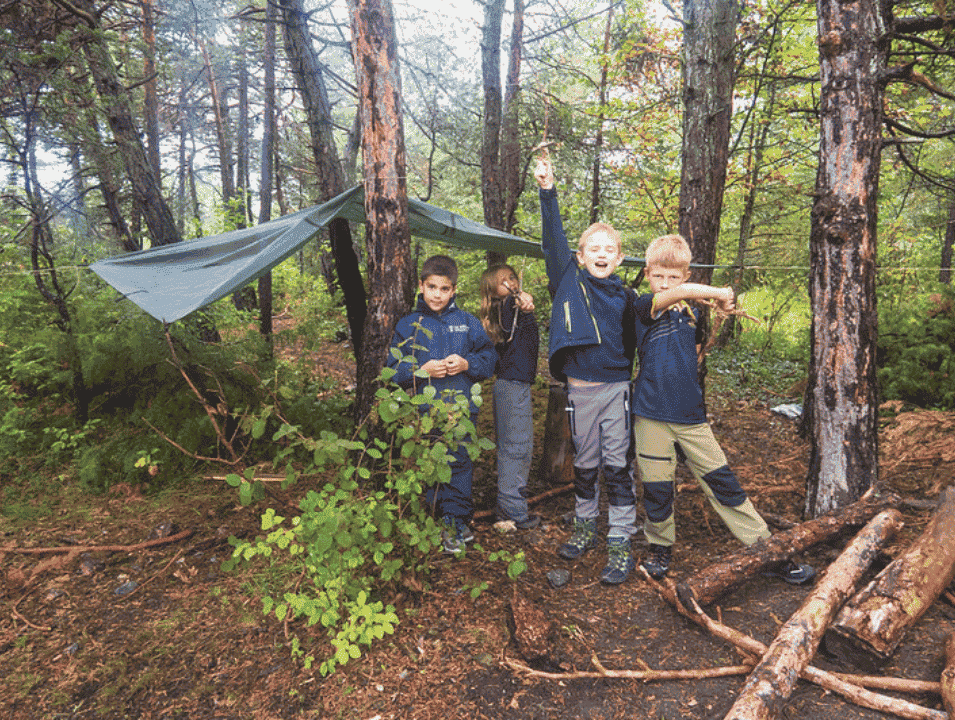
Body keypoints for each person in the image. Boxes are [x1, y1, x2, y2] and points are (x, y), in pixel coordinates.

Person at [631, 233, 815, 585]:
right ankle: (659, 547)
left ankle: (768, 550)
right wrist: (717, 292)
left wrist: (718, 307)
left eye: (674, 276)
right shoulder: (644, 306)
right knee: (657, 488)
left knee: (723, 484)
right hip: (650, 414)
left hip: (690, 418)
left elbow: (693, 349)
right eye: (659, 275)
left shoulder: (691, 315)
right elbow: (671, 297)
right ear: (648, 274)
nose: (665, 283)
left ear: (686, 275)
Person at [534, 156, 640, 585]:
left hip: (617, 390)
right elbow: (552, 242)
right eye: (592, 249)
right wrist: (548, 191)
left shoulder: (627, 296)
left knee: (617, 467)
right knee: (585, 465)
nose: (601, 254)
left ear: (618, 258)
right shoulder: (568, 282)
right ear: (580, 257)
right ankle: (584, 528)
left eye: (608, 249)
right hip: (580, 393)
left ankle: (619, 540)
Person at [387, 255, 498, 555]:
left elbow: (489, 361)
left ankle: (455, 523)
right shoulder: (409, 324)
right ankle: (428, 520)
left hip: (460, 412)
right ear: (421, 286)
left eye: (444, 288)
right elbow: (392, 370)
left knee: (459, 464)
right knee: (427, 464)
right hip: (422, 413)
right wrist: (422, 371)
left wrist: (466, 363)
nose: (437, 294)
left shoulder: (467, 323)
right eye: (432, 287)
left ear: (454, 290)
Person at [479, 264, 541, 531]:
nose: (512, 283)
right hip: (511, 385)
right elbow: (516, 307)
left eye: (513, 278)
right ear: (493, 289)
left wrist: (525, 303)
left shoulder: (508, 309)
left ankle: (509, 505)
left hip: (513, 383)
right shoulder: (506, 307)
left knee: (517, 445)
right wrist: (522, 302)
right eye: (503, 281)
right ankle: (513, 511)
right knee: (516, 447)